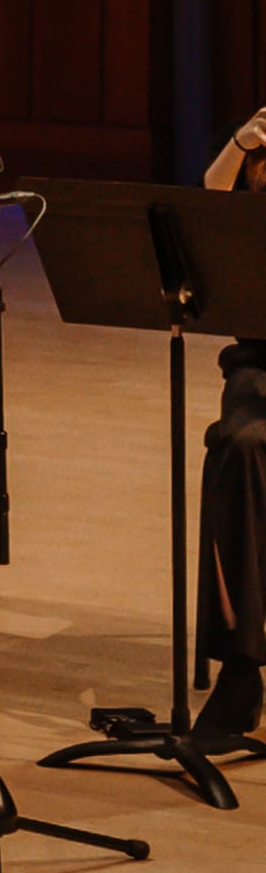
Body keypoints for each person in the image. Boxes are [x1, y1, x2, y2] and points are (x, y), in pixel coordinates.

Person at [195, 111, 266, 739]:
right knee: (236, 447)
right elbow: (210, 207)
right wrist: (242, 143)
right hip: (261, 363)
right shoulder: (261, 151)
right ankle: (242, 667)